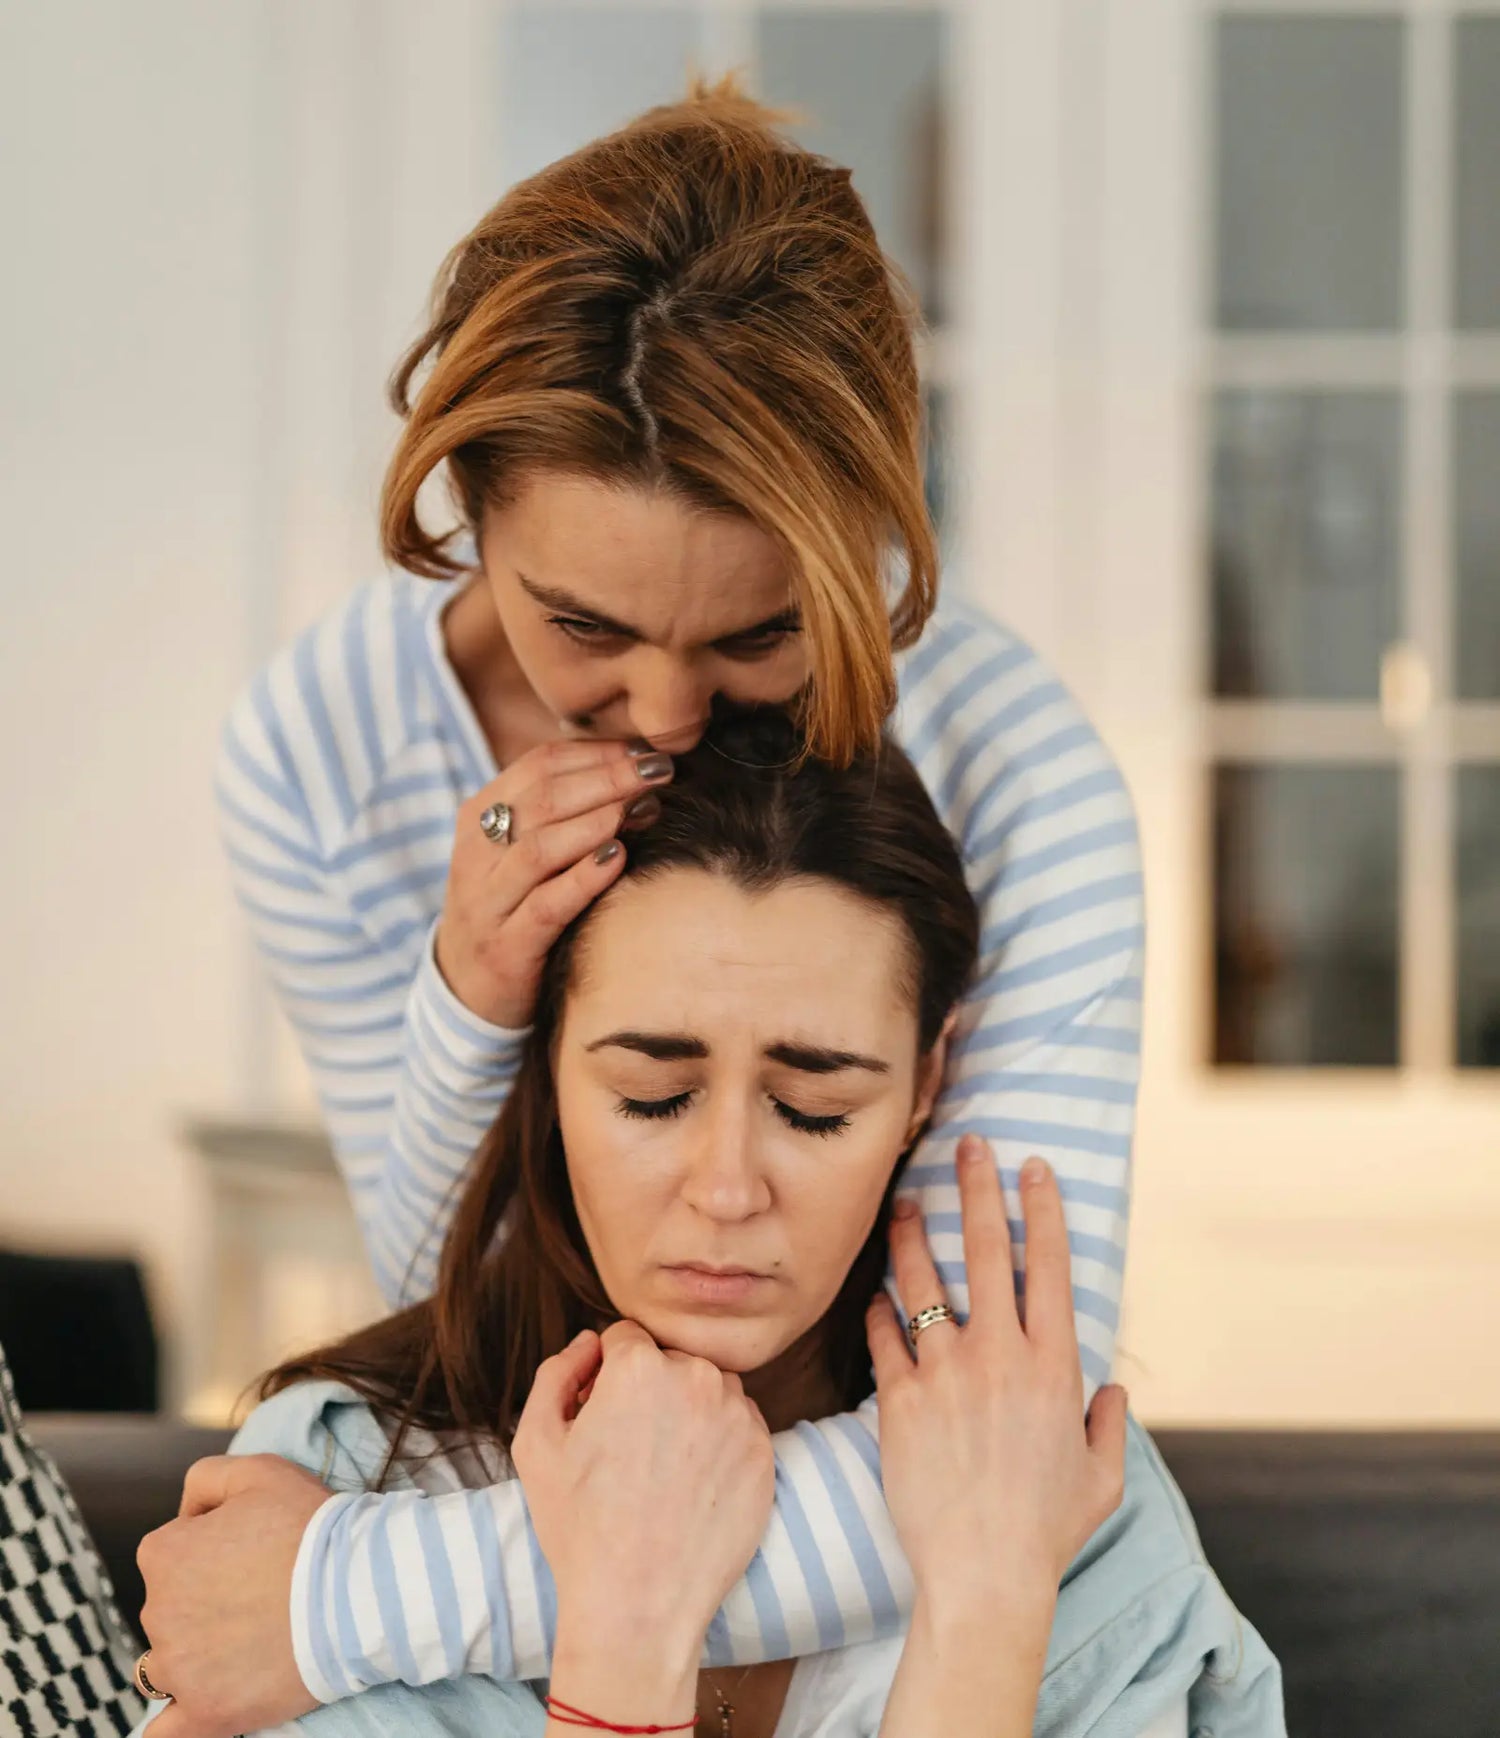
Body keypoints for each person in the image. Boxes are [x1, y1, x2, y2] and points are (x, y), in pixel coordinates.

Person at [141, 76, 1154, 1730]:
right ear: (471, 508)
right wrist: (468, 991)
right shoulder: (316, 759)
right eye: (587, 630)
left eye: (757, 635)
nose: (671, 713)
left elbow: (990, 1444)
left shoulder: (1021, 775)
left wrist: (338, 1597)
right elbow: (467, 1299)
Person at [136, 722, 1280, 1737]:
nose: (727, 1188)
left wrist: (987, 1604)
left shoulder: (1065, 1496)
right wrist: (626, 1633)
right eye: (650, 1094)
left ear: (928, 1079)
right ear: (548, 1061)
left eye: (814, 1106)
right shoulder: (335, 1492)